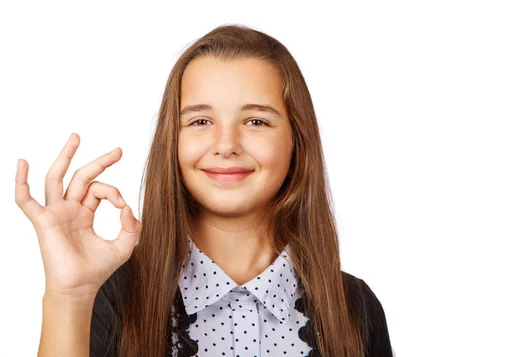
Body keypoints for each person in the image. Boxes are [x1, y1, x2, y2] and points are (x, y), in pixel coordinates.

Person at [15, 24, 394, 357]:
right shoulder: (111, 299)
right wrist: (69, 299)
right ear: (172, 141)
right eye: (200, 120)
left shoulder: (354, 308)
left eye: (256, 120)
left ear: (297, 140)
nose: (226, 143)